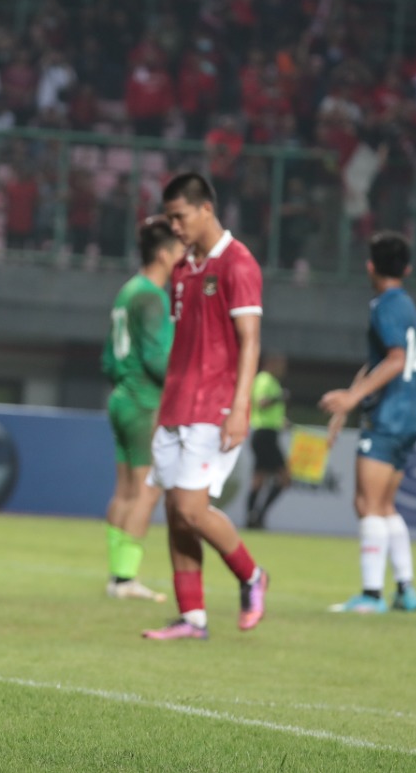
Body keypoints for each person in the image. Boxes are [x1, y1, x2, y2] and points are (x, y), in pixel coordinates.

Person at [140, 172, 269, 642]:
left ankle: (252, 575)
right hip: (176, 405)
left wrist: (240, 408)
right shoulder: (182, 270)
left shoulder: (238, 264)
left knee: (193, 510)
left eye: (180, 216)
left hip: (214, 406)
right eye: (169, 218)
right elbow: (183, 346)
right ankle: (191, 616)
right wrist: (162, 407)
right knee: (175, 512)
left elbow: (250, 341)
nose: (174, 226)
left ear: (206, 210)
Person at [318, 231, 416, 614]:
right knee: (385, 505)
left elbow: (394, 360)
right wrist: (351, 399)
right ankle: (406, 590)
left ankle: (372, 595)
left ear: (370, 267)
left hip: (389, 415)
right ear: (407, 268)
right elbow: (384, 360)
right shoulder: (407, 305)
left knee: (367, 504)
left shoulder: (385, 305)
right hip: (410, 413)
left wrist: (352, 397)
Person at [100, 215, 184, 602]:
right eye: (181, 249)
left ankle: (117, 574)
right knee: (147, 489)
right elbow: (156, 359)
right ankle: (124, 578)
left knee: (124, 489)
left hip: (120, 396)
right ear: (166, 254)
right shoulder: (152, 295)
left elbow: (108, 356)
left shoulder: (127, 290)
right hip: (144, 400)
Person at [245, 353, 290, 530]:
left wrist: (282, 421)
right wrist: (280, 397)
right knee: (284, 478)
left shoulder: (270, 381)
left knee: (259, 478)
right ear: (272, 363)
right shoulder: (264, 379)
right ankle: (258, 515)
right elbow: (262, 402)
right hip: (264, 434)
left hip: (267, 433)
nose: (283, 369)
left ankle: (253, 518)